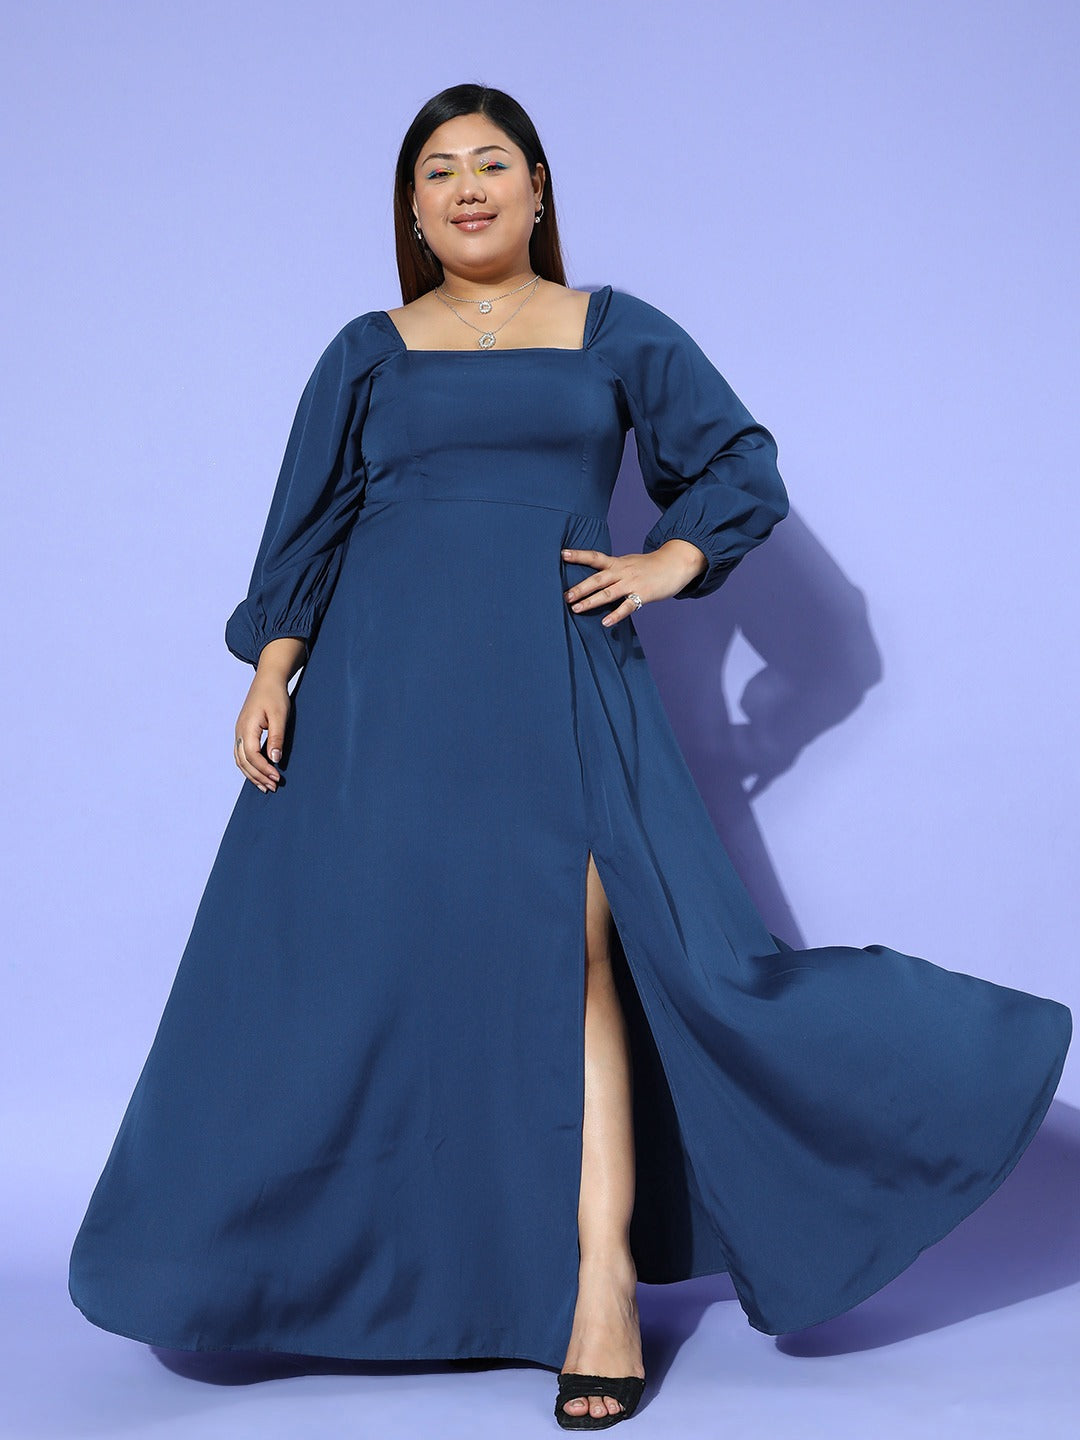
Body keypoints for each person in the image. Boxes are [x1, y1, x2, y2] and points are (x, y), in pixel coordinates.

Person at [68, 83, 1073, 1432]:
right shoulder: (367, 350)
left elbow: (738, 465)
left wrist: (670, 558)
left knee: (579, 960)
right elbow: (308, 527)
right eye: (439, 171)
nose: (467, 187)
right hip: (381, 695)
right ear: (413, 208)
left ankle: (599, 1285)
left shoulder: (615, 331)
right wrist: (272, 669)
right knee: (384, 979)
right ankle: (413, 1281)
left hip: (555, 675)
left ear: (537, 189)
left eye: (492, 163)